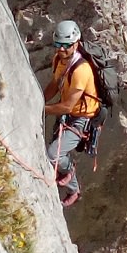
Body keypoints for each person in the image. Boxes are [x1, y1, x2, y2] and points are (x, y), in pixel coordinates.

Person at [43, 19, 100, 208]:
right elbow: (54, 84)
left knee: (53, 154)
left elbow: (67, 106)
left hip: (81, 119)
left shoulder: (81, 70)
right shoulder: (58, 59)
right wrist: (40, 99)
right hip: (67, 113)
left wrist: (42, 109)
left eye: (65, 46)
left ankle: (71, 176)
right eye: (57, 45)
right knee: (55, 152)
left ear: (75, 44)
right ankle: (71, 185)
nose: (61, 50)